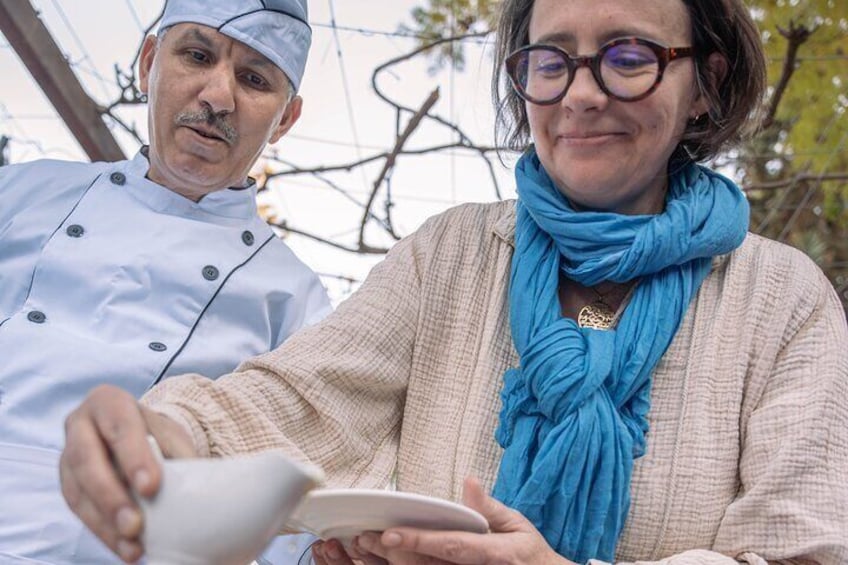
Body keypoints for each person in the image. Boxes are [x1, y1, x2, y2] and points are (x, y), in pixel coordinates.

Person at [60, 0, 848, 563]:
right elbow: (298, 399)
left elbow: (802, 553)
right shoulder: (455, 252)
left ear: (704, 83)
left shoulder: (781, 300)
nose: (578, 92)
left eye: (629, 57)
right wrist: (162, 434)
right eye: (550, 60)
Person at [0, 1, 331, 563]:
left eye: (254, 79)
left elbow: (295, 497)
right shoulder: (19, 194)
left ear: (285, 119)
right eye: (197, 56)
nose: (218, 97)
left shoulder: (296, 301)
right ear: (149, 60)